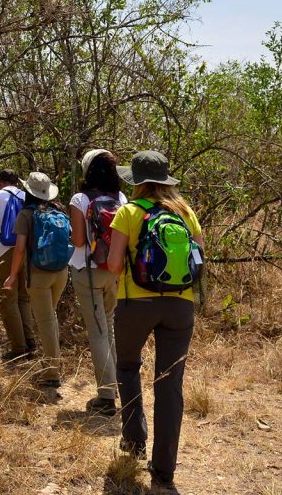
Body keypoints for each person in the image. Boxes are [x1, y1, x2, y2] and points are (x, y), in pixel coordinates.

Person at [105, 151, 203, 493]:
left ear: (138, 181)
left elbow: (114, 265)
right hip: (180, 306)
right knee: (169, 383)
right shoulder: (185, 212)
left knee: (128, 367)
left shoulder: (128, 213)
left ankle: (133, 442)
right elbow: (198, 261)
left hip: (135, 303)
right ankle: (164, 472)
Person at [68, 149, 126, 416]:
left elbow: (79, 241)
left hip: (87, 272)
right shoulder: (121, 198)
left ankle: (106, 396)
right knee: (110, 328)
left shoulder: (80, 199)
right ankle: (117, 388)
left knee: (98, 332)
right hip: (114, 271)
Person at [2, 171, 70, 389]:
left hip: (38, 274)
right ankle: (53, 362)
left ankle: (52, 373)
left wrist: (12, 276)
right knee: (50, 317)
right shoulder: (59, 210)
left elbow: (20, 249)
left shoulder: (26, 215)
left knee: (46, 320)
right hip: (61, 272)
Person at [0, 169, 37, 362]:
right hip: (28, 252)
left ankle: (18, 348)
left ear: (0, 182)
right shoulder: (26, 195)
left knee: (7, 300)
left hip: (5, 252)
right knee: (24, 299)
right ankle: (30, 343)